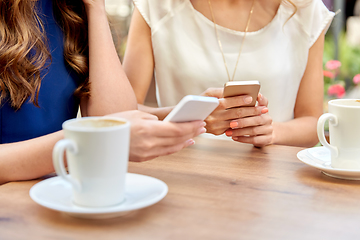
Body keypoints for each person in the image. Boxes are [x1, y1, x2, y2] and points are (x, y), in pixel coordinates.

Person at [0, 0, 205, 185]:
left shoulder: (69, 9)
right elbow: (112, 135)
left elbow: (115, 119)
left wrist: (95, 8)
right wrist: (88, 142)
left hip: (58, 191)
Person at [123, 0, 335, 148]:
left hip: (273, 183)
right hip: (181, 172)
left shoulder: (304, 9)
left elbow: (311, 120)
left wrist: (272, 132)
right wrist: (190, 116)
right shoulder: (156, 5)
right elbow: (124, 111)